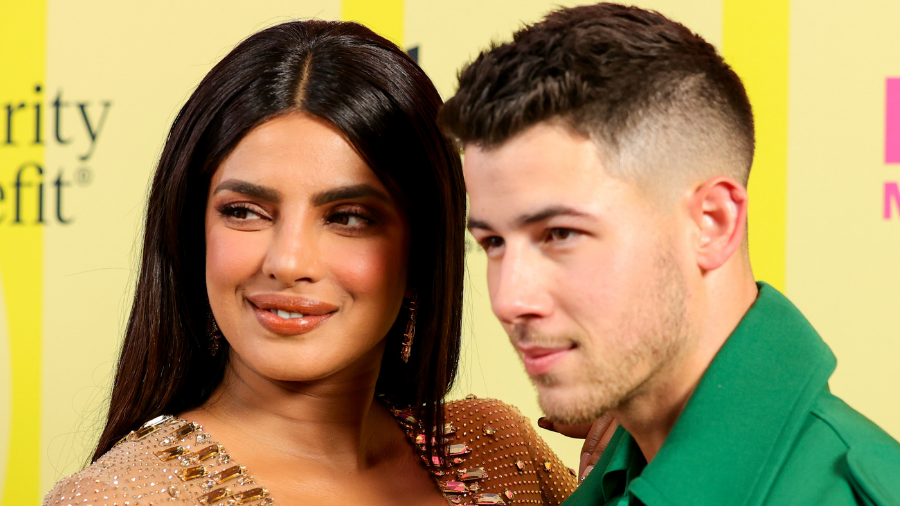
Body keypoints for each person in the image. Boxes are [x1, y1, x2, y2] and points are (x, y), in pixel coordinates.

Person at [44, 20, 577, 506]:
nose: (288, 260)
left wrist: (625, 452)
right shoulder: (121, 498)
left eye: (348, 218)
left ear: (422, 250)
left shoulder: (499, 452)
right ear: (193, 234)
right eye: (244, 212)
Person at [438, 3, 900, 505]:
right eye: (493, 242)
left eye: (560, 234)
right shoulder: (615, 476)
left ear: (712, 223)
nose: (509, 300)